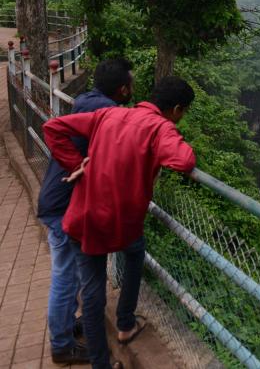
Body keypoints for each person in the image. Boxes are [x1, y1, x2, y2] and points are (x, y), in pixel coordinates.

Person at [43, 76, 197, 369]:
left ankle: (102, 363)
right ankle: (125, 322)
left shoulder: (108, 113)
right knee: (133, 252)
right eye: (183, 113)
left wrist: (77, 163)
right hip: (117, 225)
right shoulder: (159, 127)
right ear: (177, 108)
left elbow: (53, 127)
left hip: (81, 219)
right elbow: (183, 161)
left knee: (92, 295)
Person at [38, 58, 134, 365]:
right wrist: (78, 167)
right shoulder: (108, 113)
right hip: (64, 202)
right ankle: (62, 345)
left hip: (57, 197)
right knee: (66, 275)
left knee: (72, 274)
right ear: (123, 89)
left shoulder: (85, 100)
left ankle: (67, 327)